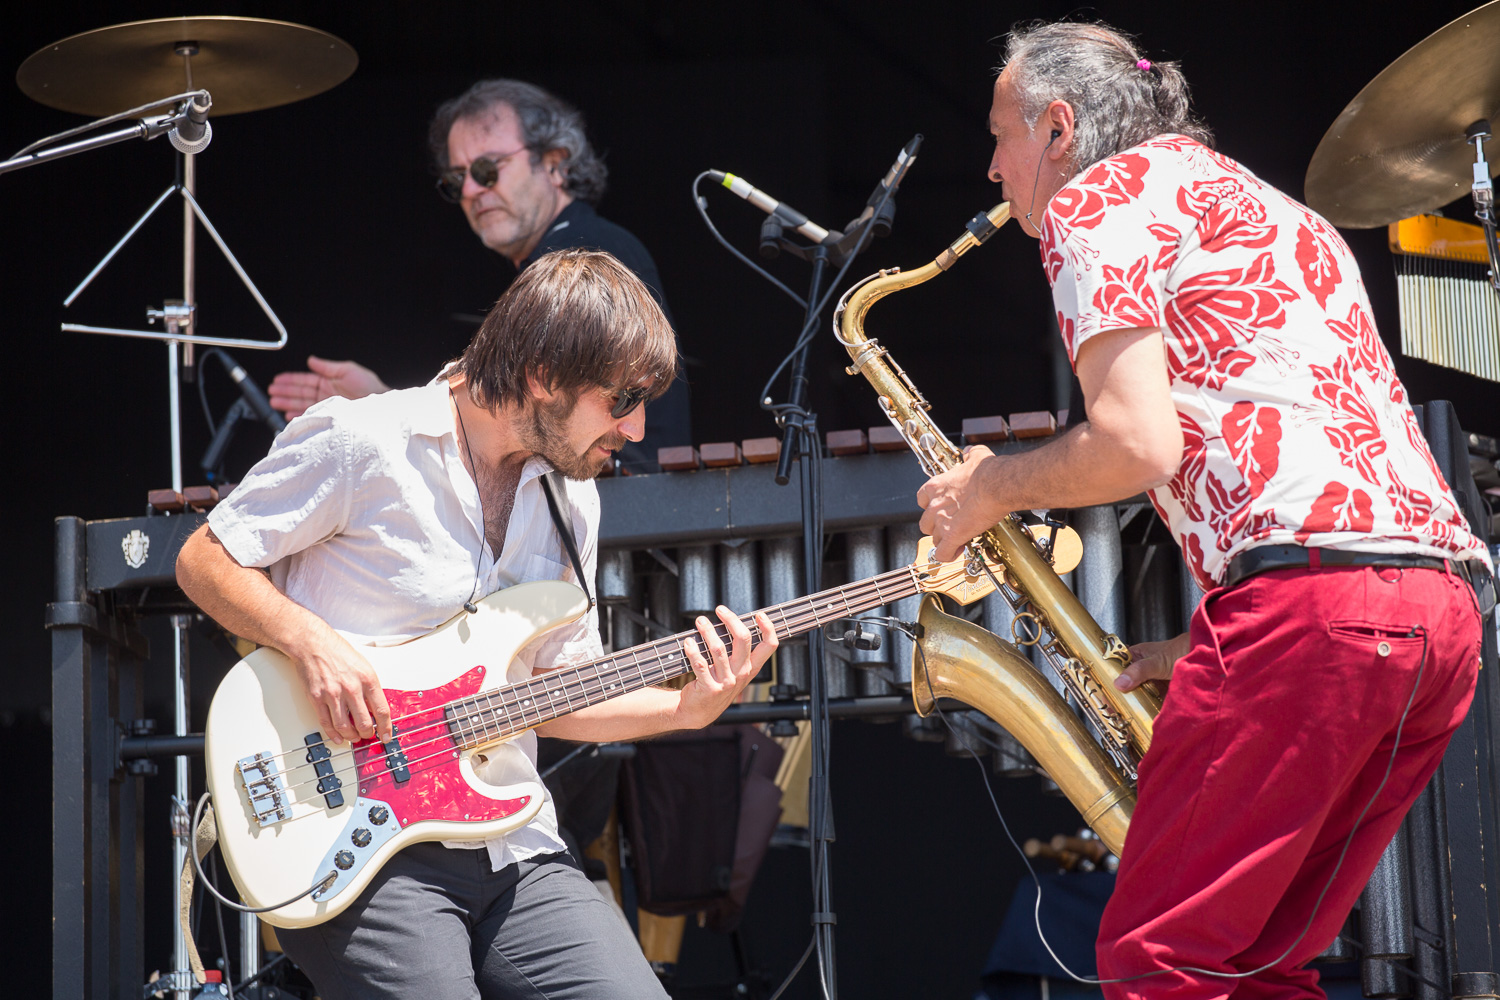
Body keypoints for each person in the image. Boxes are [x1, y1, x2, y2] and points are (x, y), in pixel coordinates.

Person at [915, 20, 1492, 999]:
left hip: (1314, 611)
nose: (991, 168)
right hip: (1439, 615)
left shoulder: (1094, 200)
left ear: (1058, 127)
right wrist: (1208, 641)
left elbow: (1136, 444)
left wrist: (988, 490)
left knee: (1158, 958)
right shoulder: (1277, 210)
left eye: (1000, 135)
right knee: (1259, 965)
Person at [177, 249, 776, 1000]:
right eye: (622, 398)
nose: (637, 426)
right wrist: (309, 640)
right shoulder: (364, 440)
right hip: (351, 839)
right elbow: (204, 560)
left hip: (513, 845)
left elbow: (555, 693)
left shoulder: (572, 500)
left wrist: (682, 709)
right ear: (542, 374)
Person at [268, 79, 691, 473]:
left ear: (555, 164)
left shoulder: (581, 257)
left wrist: (383, 405)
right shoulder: (567, 252)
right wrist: (383, 399)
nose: (471, 191)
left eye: (488, 169)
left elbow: (526, 424)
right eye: (458, 180)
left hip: (619, 498)